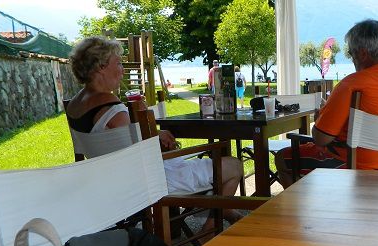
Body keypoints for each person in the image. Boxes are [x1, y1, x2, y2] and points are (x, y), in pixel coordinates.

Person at [65, 36, 244, 232]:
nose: (122, 69)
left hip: (111, 182)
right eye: (118, 63)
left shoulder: (75, 104)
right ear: (100, 66)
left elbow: (122, 144)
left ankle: (225, 210)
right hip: (149, 182)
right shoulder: (112, 108)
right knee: (234, 166)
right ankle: (208, 231)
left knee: (200, 165)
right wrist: (154, 133)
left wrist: (153, 132)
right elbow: (144, 154)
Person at [274, 19, 378, 188]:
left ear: (362, 54)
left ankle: (299, 213)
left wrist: (320, 119)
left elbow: (321, 138)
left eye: (351, 53)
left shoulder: (352, 85)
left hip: (353, 165)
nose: (352, 59)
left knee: (282, 158)